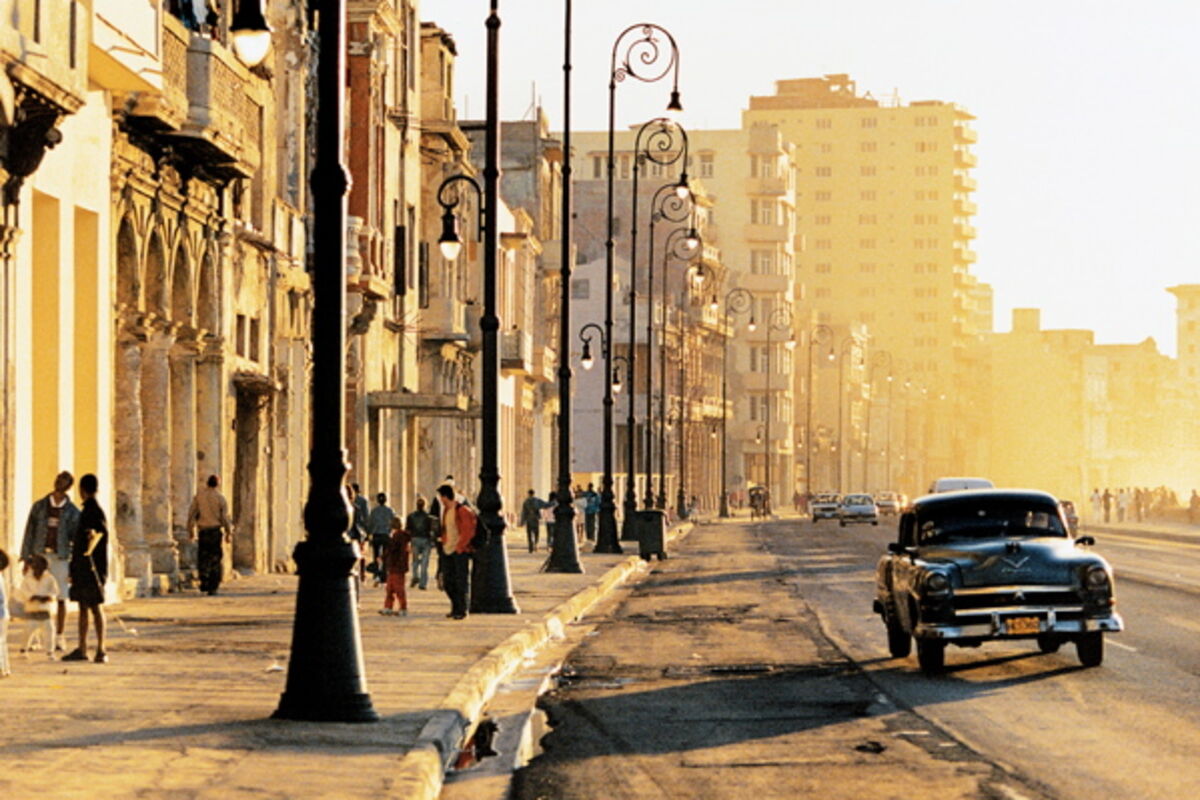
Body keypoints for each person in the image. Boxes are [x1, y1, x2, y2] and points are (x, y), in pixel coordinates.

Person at [21, 470, 79, 653]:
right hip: (39, 556)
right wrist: (26, 558)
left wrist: (74, 566)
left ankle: (59, 637)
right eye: (58, 479)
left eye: (64, 481)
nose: (59, 483)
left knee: (61, 597)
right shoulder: (39, 506)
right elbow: (29, 532)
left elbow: (76, 539)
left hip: (60, 557)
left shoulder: (73, 512)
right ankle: (34, 636)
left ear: (69, 487)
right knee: (34, 595)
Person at [62, 473, 109, 664]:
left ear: (82, 490)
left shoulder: (91, 512)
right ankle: (89, 648)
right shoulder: (95, 511)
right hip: (92, 566)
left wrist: (76, 567)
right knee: (88, 606)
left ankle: (98, 648)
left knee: (92, 607)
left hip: (88, 567)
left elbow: (91, 541)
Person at [187, 474, 233, 596]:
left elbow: (192, 514)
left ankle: (204, 582)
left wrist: (190, 530)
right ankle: (213, 586)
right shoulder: (220, 498)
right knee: (215, 559)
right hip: (215, 531)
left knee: (203, 557)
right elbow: (224, 517)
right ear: (217, 484)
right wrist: (228, 532)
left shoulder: (199, 496)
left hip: (203, 531)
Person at [437, 483, 476, 620]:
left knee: (461, 582)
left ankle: (462, 609)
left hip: (460, 551)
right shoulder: (446, 511)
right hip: (447, 550)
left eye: (441, 497)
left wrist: (460, 546)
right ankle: (455, 607)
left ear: (445, 496)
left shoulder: (462, 510)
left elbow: (468, 531)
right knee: (448, 582)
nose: (440, 500)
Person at [17, 554, 59, 658]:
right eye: (35, 564)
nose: (37, 567)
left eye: (40, 565)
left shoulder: (49, 578)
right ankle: (23, 650)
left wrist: (48, 597)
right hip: (32, 608)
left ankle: (50, 651)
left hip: (45, 609)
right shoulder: (27, 578)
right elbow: (23, 590)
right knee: (28, 630)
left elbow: (55, 591)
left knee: (49, 630)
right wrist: (31, 596)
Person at [379, 518, 411, 616]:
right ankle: (390, 607)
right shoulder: (403, 536)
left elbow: (391, 550)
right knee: (393, 588)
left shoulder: (397, 536)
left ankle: (398, 608)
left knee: (395, 588)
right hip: (398, 566)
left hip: (395, 566)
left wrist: (383, 557)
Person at [405, 496, 435, 590]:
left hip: (415, 539)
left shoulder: (411, 516)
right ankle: (423, 583)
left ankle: (415, 575)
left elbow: (408, 529)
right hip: (426, 540)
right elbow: (432, 530)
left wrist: (408, 541)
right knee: (424, 563)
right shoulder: (429, 517)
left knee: (415, 560)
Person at [366, 492, 396, 584]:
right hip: (386, 535)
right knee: (385, 556)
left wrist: (369, 533)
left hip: (376, 535)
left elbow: (370, 523)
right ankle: (384, 574)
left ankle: (376, 573)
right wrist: (391, 531)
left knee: (376, 555)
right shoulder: (390, 511)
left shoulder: (374, 511)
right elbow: (393, 522)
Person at [0, 549, 9, 677]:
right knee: (2, 642)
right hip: (3, 614)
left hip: (0, 614)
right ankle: (6, 668)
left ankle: (1, 668)